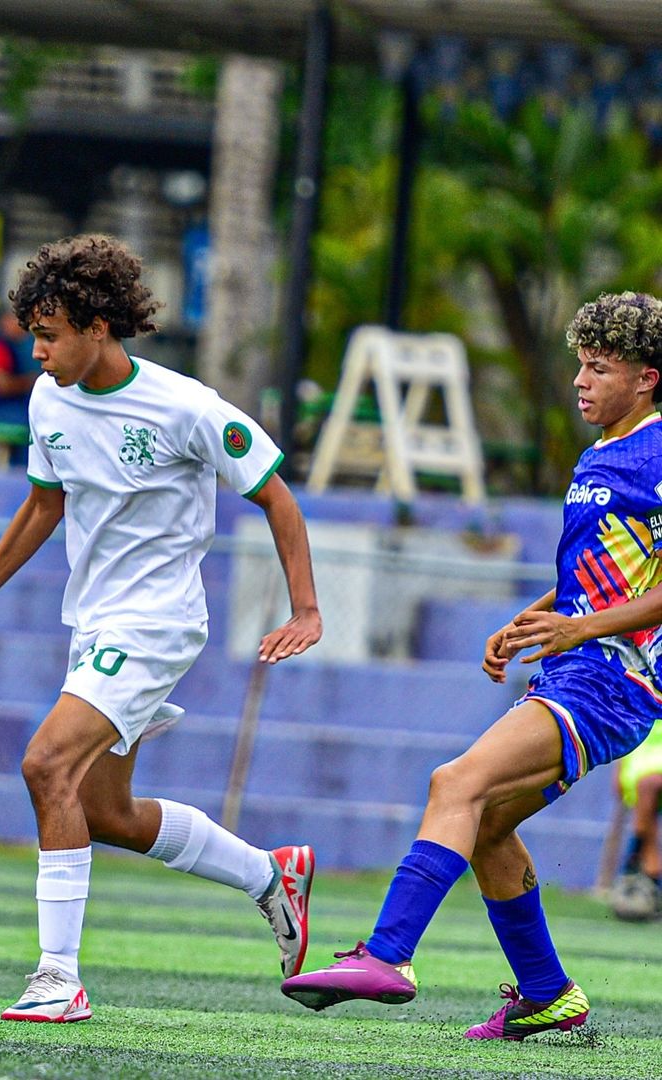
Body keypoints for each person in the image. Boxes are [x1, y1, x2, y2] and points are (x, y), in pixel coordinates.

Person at [0, 234, 323, 1023]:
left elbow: (276, 496)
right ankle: (270, 876)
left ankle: (58, 977)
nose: (36, 351)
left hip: (157, 622)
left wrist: (304, 609)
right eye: (33, 332)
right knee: (105, 813)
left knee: (45, 765)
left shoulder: (186, 407)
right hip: (94, 621)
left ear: (98, 325)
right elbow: (43, 506)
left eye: (49, 334)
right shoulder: (47, 399)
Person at [282, 290, 662, 1041]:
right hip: (578, 664)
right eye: (579, 365)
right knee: (485, 824)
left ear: (648, 376)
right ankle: (548, 993)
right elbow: (610, 567)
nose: (581, 381)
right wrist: (529, 619)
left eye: (600, 368)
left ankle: (387, 955)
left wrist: (578, 626)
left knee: (455, 782)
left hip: (614, 676)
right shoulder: (602, 450)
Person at [610, 717, 662, 920]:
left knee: (649, 785)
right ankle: (650, 877)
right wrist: (619, 771)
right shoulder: (641, 698)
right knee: (646, 790)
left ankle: (634, 865)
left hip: (651, 779)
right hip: (637, 776)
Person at [0, 309, 39, 427]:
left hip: (25, 406)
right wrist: (31, 382)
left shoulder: (28, 345)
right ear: (3, 322)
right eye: (15, 320)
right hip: (2, 411)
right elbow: (0, 384)